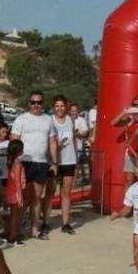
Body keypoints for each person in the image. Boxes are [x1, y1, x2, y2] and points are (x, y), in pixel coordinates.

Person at [11, 90, 57, 240]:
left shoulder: (48, 120)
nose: (36, 105)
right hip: (24, 162)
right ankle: (17, 230)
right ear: (29, 103)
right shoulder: (21, 119)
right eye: (33, 102)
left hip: (41, 162)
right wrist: (13, 161)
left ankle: (34, 229)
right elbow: (14, 141)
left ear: (43, 103)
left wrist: (54, 162)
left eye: (39, 102)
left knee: (37, 197)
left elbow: (52, 142)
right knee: (23, 197)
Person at [49, 95, 79, 235]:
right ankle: (45, 222)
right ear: (53, 107)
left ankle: (65, 223)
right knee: (50, 192)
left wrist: (76, 158)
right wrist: (56, 146)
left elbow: (73, 139)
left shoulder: (70, 120)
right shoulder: (50, 121)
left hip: (69, 160)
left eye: (62, 106)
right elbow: (48, 141)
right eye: (57, 106)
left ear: (66, 106)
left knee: (66, 192)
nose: (60, 108)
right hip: (54, 161)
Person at [2, 140, 26, 247]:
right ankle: (12, 237)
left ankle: (8, 234)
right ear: (20, 151)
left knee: (12, 215)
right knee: (14, 216)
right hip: (15, 192)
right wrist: (20, 196)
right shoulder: (17, 164)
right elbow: (17, 180)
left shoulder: (11, 161)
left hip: (10, 191)